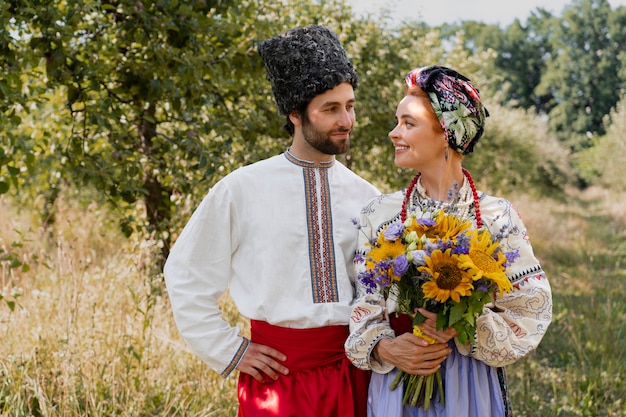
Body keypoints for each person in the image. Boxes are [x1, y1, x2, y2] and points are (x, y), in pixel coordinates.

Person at [163, 25, 380, 416]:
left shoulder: (367, 196)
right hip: (276, 382)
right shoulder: (242, 188)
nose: (346, 119)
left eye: (349, 105)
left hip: (355, 377)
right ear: (295, 113)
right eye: (330, 109)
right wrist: (230, 350)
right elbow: (185, 274)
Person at [344, 65, 553, 416]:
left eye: (408, 123)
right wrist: (386, 348)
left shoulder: (497, 217)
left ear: (447, 132)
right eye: (397, 121)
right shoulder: (378, 214)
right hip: (398, 378)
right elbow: (363, 303)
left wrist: (463, 325)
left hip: (470, 385)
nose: (394, 133)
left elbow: (531, 309)